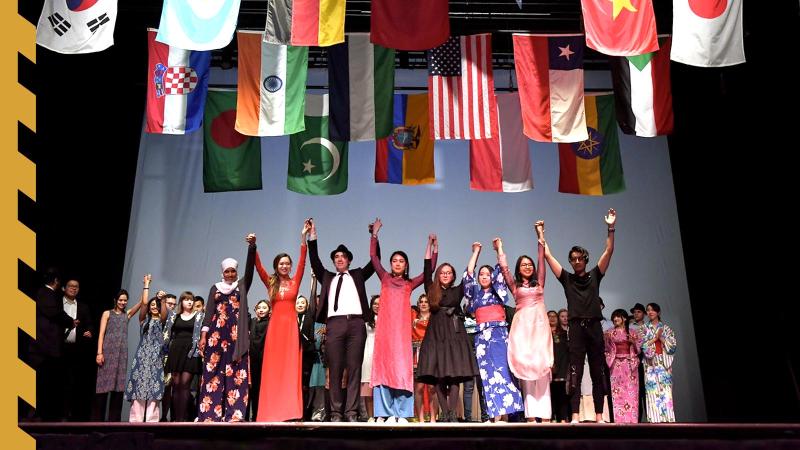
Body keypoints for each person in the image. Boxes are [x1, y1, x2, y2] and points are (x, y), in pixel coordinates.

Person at [542, 208, 616, 424]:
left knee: (597, 372)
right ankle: (575, 415)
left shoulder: (595, 275)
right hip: (575, 328)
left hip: (594, 327)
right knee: (575, 372)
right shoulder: (567, 279)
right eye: (572, 259)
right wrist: (541, 236)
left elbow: (609, 250)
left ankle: (600, 416)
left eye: (579, 258)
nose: (576, 261)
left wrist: (611, 227)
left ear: (585, 259)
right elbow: (548, 256)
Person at [307, 219, 378, 422]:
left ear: (349, 260)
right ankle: (336, 413)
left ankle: (351, 412)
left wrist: (374, 236)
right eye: (336, 257)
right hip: (335, 324)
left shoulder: (357, 275)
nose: (339, 259)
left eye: (343, 257)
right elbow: (315, 261)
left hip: (356, 324)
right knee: (335, 369)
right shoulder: (328, 277)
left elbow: (375, 261)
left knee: (354, 369)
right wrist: (313, 236)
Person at [368, 218, 433, 423]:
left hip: (401, 335)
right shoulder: (385, 278)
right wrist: (375, 234)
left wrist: (432, 247)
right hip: (385, 334)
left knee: (401, 369)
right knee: (383, 369)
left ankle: (401, 413)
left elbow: (429, 270)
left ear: (406, 266)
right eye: (394, 260)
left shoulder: (409, 284)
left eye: (401, 261)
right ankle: (384, 413)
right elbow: (373, 257)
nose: (397, 263)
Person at [417, 235, 480, 423]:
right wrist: (429, 245)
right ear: (438, 275)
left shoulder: (457, 290)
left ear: (453, 276)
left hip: (454, 335)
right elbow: (427, 267)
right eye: (442, 272)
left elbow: (469, 273)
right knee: (437, 377)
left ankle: (452, 414)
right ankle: (444, 413)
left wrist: (476, 252)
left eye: (449, 272)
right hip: (435, 336)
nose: (445, 274)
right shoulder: (431, 288)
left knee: (454, 377)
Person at [494, 221, 553, 423]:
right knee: (527, 370)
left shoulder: (540, 282)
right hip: (522, 330)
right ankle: (530, 416)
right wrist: (500, 249)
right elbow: (505, 269)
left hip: (539, 328)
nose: (527, 266)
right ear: (519, 269)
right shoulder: (515, 285)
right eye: (523, 265)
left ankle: (545, 416)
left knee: (542, 369)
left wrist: (539, 233)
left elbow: (541, 258)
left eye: (529, 264)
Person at [254, 221, 310, 422]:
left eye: (287, 263)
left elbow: (304, 261)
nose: (285, 266)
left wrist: (303, 237)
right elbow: (258, 267)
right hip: (275, 330)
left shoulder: (295, 281)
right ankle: (270, 411)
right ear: (276, 266)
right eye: (281, 263)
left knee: (290, 369)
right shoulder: (271, 282)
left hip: (291, 330)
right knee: (273, 370)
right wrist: (254, 247)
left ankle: (291, 412)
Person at [197, 234, 256, 422]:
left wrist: (252, 248)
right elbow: (209, 312)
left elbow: (250, 268)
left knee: (237, 374)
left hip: (236, 335)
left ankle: (235, 414)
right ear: (222, 272)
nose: (230, 274)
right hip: (215, 334)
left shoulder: (242, 285)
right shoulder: (215, 288)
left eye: (233, 271)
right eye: (227, 271)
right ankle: (209, 414)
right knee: (212, 373)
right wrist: (204, 336)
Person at [464, 242, 523, 422]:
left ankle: (507, 413)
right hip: (482, 338)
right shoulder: (474, 293)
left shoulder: (498, 291)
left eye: (487, 274)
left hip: (498, 335)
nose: (483, 277)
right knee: (487, 376)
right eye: (481, 274)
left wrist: (499, 249)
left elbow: (502, 269)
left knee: (503, 372)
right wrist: (476, 252)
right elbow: (468, 275)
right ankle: (495, 414)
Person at [93, 289, 142, 421]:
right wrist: (99, 353)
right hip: (107, 353)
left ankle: (113, 422)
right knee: (103, 386)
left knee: (118, 388)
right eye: (120, 300)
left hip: (121, 355)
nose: (123, 302)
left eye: (125, 300)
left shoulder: (127, 315)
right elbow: (101, 334)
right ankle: (97, 421)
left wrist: (146, 286)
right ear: (116, 300)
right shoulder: (107, 314)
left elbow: (143, 303)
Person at [125, 275, 166, 422]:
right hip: (142, 357)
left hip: (156, 358)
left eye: (157, 305)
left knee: (154, 387)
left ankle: (151, 420)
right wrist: (146, 285)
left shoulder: (162, 321)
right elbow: (143, 303)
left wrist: (162, 299)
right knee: (139, 387)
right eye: (152, 305)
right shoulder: (144, 320)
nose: (154, 307)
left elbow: (164, 312)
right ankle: (136, 420)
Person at [163, 291, 204, 421]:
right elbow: (167, 332)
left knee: (185, 384)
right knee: (176, 385)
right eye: (186, 299)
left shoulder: (199, 316)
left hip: (191, 351)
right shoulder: (174, 315)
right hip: (176, 351)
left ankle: (182, 419)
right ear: (181, 302)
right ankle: (175, 418)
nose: (189, 302)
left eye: (191, 299)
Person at [60, 278, 94, 421]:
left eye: (76, 287)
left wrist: (90, 331)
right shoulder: (57, 304)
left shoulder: (83, 307)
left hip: (76, 350)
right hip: (58, 348)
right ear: (64, 288)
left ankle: (70, 415)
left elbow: (90, 324)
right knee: (57, 382)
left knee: (73, 383)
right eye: (71, 286)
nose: (73, 289)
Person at [641, 303, 677, 423]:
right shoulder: (644, 328)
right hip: (651, 362)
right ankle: (654, 418)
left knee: (666, 390)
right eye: (648, 310)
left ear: (658, 312)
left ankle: (668, 418)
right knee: (652, 390)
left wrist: (661, 338)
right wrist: (655, 339)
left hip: (663, 362)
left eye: (652, 310)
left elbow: (672, 347)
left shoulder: (666, 329)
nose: (650, 312)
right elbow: (643, 345)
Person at [604, 309, 640, 423]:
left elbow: (638, 350)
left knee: (631, 391)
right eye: (613, 317)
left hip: (629, 364)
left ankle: (632, 419)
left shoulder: (632, 332)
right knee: (617, 392)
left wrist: (633, 342)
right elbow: (606, 349)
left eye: (617, 317)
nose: (615, 319)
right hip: (616, 365)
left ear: (624, 318)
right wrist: (606, 342)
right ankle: (619, 419)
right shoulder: (609, 332)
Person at [412, 294, 436, 422]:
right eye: (421, 301)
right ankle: (420, 419)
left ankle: (433, 418)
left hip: (431, 352)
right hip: (417, 353)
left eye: (426, 301)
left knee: (432, 388)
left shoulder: (434, 319)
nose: (423, 304)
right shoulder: (413, 318)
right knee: (419, 387)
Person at [247, 299, 270, 421]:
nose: (261, 310)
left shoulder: (270, 323)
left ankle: (264, 414)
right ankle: (254, 415)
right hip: (253, 359)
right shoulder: (253, 322)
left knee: (264, 388)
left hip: (266, 358)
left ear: (269, 310)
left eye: (264, 307)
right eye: (259, 307)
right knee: (254, 388)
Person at [360, 295, 380, 421]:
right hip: (368, 353)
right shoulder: (366, 321)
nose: (377, 306)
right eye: (375, 304)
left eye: (380, 303)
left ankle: (381, 415)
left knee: (380, 388)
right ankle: (370, 416)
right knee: (368, 389)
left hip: (382, 355)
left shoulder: (387, 319)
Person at [550, 309, 570, 422]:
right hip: (546, 367)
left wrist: (559, 365)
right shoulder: (543, 333)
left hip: (561, 367)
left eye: (554, 316)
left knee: (561, 393)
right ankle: (552, 417)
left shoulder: (562, 333)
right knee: (550, 394)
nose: (552, 318)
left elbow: (564, 352)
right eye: (549, 316)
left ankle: (563, 417)